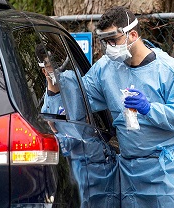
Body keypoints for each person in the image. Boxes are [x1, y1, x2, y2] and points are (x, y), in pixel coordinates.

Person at [84, 6, 174, 207]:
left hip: (167, 173)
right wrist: (56, 83)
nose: (109, 47)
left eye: (114, 40)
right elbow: (81, 96)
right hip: (131, 173)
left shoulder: (170, 70)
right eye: (105, 41)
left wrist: (150, 109)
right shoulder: (106, 68)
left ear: (133, 34)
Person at [36, 44, 120, 207]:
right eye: (48, 65)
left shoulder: (73, 80)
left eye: (55, 62)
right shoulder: (46, 107)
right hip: (72, 168)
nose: (54, 68)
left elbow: (96, 99)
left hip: (96, 161)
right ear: (44, 71)